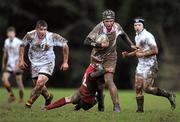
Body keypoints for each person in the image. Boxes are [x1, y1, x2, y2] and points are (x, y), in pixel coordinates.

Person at [83, 9, 136, 112]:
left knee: (108, 80)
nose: (109, 23)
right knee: (98, 83)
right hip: (96, 58)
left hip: (110, 58)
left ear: (114, 20)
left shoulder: (117, 27)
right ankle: (101, 103)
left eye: (111, 21)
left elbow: (123, 35)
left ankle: (116, 106)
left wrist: (131, 44)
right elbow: (86, 41)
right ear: (103, 21)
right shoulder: (99, 28)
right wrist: (99, 44)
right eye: (107, 21)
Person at [122, 17, 176, 112]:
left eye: (139, 25)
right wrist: (128, 54)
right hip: (141, 65)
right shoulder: (137, 36)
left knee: (147, 89)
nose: (137, 27)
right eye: (135, 25)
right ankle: (140, 110)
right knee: (138, 87)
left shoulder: (148, 36)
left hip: (151, 65)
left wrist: (142, 54)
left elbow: (155, 50)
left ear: (143, 26)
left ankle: (169, 95)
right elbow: (138, 50)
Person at [18, 20, 69, 108]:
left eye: (45, 29)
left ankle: (29, 103)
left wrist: (65, 62)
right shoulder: (30, 35)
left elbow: (65, 45)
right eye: (41, 29)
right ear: (36, 29)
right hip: (34, 63)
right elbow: (22, 45)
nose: (43, 32)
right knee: (39, 85)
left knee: (40, 83)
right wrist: (21, 60)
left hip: (48, 62)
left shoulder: (52, 36)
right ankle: (48, 97)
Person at [1, 27, 24, 103]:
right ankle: (12, 95)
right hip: (10, 64)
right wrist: (3, 64)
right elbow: (5, 53)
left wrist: (19, 63)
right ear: (7, 34)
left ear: (14, 34)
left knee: (19, 82)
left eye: (12, 33)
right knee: (4, 79)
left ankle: (21, 99)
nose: (10, 35)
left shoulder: (18, 42)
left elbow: (22, 54)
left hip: (17, 63)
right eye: (9, 33)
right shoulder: (6, 41)